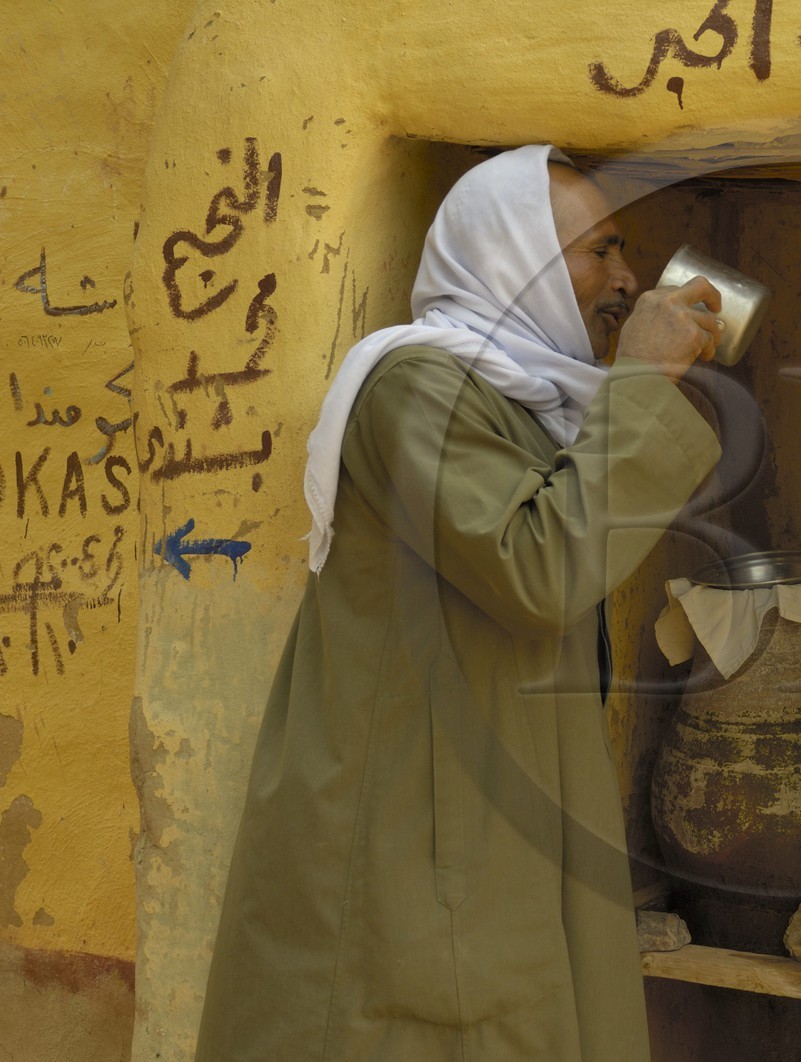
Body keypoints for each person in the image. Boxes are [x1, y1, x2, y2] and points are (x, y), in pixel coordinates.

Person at [194, 145, 724, 1061]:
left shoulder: (529, 402)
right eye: (596, 252)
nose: (627, 278)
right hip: (412, 833)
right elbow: (539, 566)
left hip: (490, 808)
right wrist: (641, 385)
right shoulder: (416, 390)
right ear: (511, 265)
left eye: (623, 250)